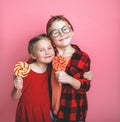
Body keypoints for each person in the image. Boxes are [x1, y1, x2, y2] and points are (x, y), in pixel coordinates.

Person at [46, 15, 92, 122]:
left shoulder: (83, 58)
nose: (62, 34)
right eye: (55, 32)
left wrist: (69, 79)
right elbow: (36, 65)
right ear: (50, 38)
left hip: (72, 112)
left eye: (65, 29)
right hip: (50, 111)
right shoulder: (49, 55)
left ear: (72, 31)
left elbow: (85, 86)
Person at [11, 34, 55, 122]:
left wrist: (86, 74)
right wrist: (17, 88)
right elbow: (14, 97)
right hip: (28, 113)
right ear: (33, 55)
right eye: (41, 50)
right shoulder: (25, 71)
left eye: (49, 48)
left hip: (46, 111)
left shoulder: (53, 68)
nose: (47, 52)